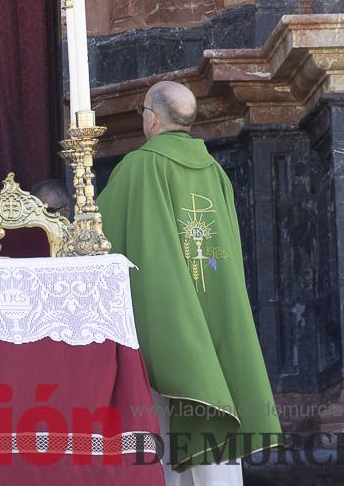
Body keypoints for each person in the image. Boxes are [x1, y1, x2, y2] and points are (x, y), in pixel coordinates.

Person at [97, 81, 280, 484]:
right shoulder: (215, 173)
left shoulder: (137, 168)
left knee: (164, 423)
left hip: (165, 320)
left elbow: (94, 241)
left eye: (143, 110)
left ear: (154, 118)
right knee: (215, 408)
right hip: (218, 310)